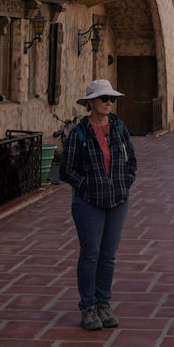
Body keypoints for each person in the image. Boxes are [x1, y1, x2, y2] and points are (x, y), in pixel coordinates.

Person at [56, 80, 138, 331]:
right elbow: (66, 170)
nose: (108, 103)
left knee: (108, 256)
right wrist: (88, 185)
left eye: (111, 99)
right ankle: (88, 307)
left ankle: (104, 304)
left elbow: (131, 161)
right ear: (91, 102)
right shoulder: (79, 132)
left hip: (117, 201)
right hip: (88, 203)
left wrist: (124, 182)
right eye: (103, 99)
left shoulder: (119, 128)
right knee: (90, 255)